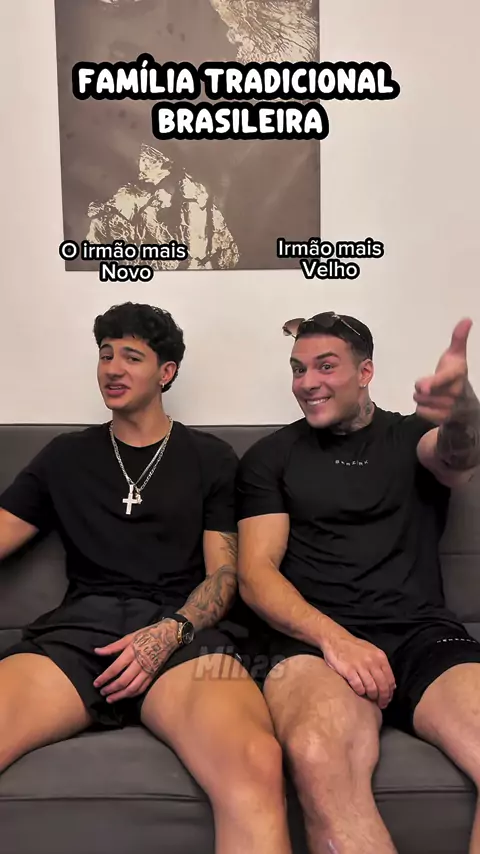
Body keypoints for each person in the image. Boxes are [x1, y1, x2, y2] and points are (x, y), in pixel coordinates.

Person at [0, 302, 292, 854]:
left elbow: (224, 574)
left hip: (184, 635)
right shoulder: (64, 456)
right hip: (81, 634)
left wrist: (172, 631)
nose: (113, 368)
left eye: (132, 357)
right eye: (105, 354)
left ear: (166, 372)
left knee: (255, 760)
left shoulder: (210, 458)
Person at [236, 310, 480, 854]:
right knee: (318, 754)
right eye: (298, 369)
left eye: (325, 366)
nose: (307, 382)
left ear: (365, 372)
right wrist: (336, 640)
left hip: (422, 635)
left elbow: (457, 455)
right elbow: (255, 575)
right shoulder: (270, 457)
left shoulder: (411, 437)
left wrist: (463, 408)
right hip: (314, 646)